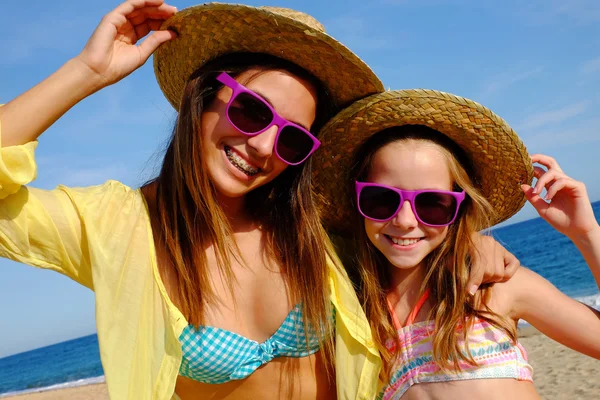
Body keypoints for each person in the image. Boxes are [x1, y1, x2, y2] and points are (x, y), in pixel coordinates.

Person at [0, 2, 521, 399]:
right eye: (251, 111)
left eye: (294, 139)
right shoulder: (115, 227)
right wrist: (86, 74)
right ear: (200, 96)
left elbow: (405, 221)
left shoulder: (314, 225)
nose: (265, 147)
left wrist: (465, 241)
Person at [312, 89, 600, 399]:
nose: (406, 220)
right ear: (358, 202)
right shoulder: (354, 317)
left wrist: (586, 233)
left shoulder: (494, 287)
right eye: (382, 199)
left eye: (433, 203)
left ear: (459, 208)